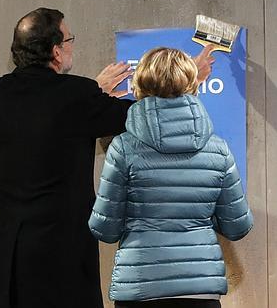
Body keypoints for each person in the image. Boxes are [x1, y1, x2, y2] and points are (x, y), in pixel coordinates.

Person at [0, 8, 215, 308]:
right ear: (56, 52)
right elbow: (143, 115)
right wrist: (189, 74)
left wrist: (93, 92)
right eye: (70, 39)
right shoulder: (77, 96)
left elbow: (44, 109)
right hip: (59, 254)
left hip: (3, 253)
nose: (73, 46)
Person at [88, 47, 253, 308]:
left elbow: (105, 229)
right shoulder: (218, 149)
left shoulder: (123, 148)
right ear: (191, 84)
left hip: (139, 288)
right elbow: (238, 226)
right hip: (200, 291)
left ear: (139, 85)